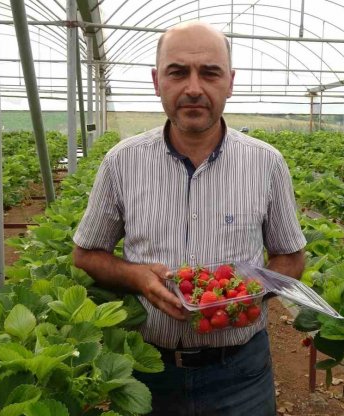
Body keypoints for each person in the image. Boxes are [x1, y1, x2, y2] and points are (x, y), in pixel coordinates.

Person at [72, 21, 306, 416]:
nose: (194, 88)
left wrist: (245, 293)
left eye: (210, 73)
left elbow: (291, 258)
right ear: (156, 81)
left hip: (241, 372)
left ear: (229, 82)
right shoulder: (121, 163)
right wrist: (137, 277)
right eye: (178, 72)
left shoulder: (267, 163)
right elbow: (86, 254)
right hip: (148, 368)